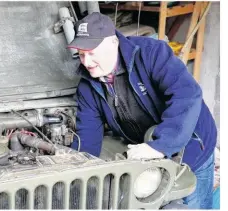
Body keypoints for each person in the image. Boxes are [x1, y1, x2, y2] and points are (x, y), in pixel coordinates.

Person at [68, 12, 217, 209]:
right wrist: (75, 171)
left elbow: (187, 94)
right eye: (81, 54)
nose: (86, 62)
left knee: (193, 203)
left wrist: (160, 146)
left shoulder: (151, 54)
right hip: (149, 149)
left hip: (191, 144)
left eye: (92, 52)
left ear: (113, 42)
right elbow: (87, 136)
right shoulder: (88, 86)